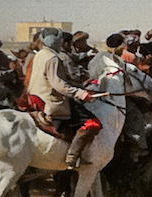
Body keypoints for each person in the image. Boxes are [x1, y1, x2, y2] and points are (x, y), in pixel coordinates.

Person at [27, 27, 107, 168]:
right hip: (52, 102)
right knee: (93, 123)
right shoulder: (53, 58)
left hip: (36, 98)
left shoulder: (40, 54)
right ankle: (73, 157)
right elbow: (59, 85)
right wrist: (81, 93)